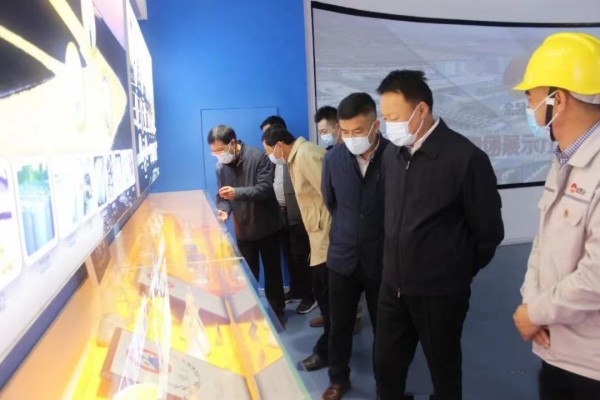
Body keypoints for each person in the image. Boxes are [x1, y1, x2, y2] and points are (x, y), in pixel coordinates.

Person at [374, 70, 504, 400]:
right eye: (385, 118)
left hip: (440, 292)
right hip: (392, 287)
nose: (389, 126)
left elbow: (488, 231)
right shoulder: (392, 154)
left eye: (394, 118)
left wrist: (457, 271)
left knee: (443, 371)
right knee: (386, 368)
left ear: (421, 110)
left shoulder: (465, 158)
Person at [512, 32, 600, 400]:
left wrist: (535, 313)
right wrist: (531, 305)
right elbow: (543, 242)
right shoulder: (564, 159)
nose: (528, 106)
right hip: (556, 347)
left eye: (530, 97)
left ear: (557, 100)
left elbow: (596, 275)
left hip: (591, 364)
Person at [320, 93, 389, 400]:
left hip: (382, 257)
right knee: (339, 325)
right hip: (343, 256)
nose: (350, 138)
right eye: (345, 132)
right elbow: (331, 201)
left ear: (375, 125)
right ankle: (338, 378)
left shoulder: (395, 156)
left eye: (358, 131)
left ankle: (385, 382)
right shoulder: (333, 159)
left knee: (385, 328)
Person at [261, 125, 332, 373]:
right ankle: (330, 344)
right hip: (317, 234)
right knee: (324, 294)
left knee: (327, 295)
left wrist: (328, 230)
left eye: (269, 151)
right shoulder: (295, 158)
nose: (270, 157)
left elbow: (332, 195)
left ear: (279, 145)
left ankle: (329, 350)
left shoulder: (307, 155)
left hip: (327, 237)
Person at [208, 124, 286, 326]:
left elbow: (265, 189)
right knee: (247, 277)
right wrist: (224, 209)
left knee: (273, 273)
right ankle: (250, 316)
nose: (218, 155)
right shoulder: (220, 167)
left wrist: (236, 193)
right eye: (214, 152)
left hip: (267, 227)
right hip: (243, 229)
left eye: (220, 150)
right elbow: (222, 195)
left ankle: (278, 314)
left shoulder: (258, 157)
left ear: (232, 143)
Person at [312, 106, 363, 334]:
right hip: (342, 234)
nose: (323, 135)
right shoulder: (332, 157)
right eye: (320, 132)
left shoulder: (372, 155)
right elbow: (329, 198)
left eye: (325, 131)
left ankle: (356, 317)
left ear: (337, 127)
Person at [259, 116, 316, 314]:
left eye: (269, 132)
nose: (266, 137)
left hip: (299, 215)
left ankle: (310, 296)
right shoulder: (272, 157)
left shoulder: (301, 155)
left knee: (302, 256)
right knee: (289, 256)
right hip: (281, 215)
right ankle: (296, 290)